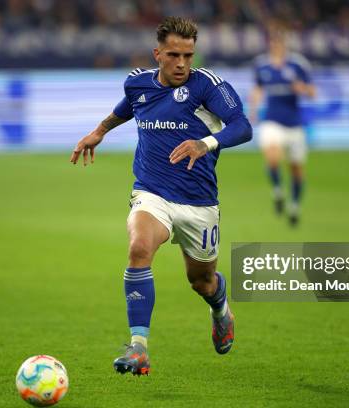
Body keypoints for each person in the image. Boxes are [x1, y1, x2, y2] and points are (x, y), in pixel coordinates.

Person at [70, 17, 252, 376]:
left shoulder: (208, 86)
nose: (182, 63)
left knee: (201, 281)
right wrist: (98, 131)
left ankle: (220, 309)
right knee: (139, 248)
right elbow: (128, 106)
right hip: (152, 193)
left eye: (188, 55)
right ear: (158, 54)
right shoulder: (138, 83)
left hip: (199, 203)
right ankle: (139, 347)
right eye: (174, 55)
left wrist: (206, 142)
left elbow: (243, 126)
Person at [249, 30, 316, 226]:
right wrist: (253, 109)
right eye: (273, 44)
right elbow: (258, 88)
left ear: (284, 46)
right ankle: (278, 191)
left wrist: (302, 89)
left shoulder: (298, 65)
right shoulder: (262, 66)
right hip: (272, 120)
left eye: (279, 44)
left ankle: (294, 206)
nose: (276, 47)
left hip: (294, 123)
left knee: (296, 169)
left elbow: (313, 92)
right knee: (272, 156)